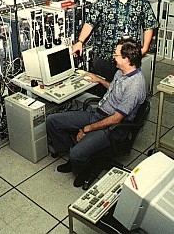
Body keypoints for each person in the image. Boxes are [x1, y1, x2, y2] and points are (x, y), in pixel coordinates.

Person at [46, 39, 146, 187]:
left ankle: (81, 164)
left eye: (116, 55)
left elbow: (116, 119)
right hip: (98, 114)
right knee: (53, 121)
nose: (113, 57)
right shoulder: (122, 72)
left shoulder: (135, 86)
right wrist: (99, 80)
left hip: (112, 127)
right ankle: (74, 155)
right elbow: (113, 88)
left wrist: (87, 129)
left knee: (77, 154)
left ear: (126, 59)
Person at [72, 0, 158, 95]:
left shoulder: (141, 2)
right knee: (101, 93)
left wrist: (145, 48)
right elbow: (90, 21)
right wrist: (80, 41)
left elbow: (149, 25)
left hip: (127, 59)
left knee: (125, 93)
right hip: (103, 56)